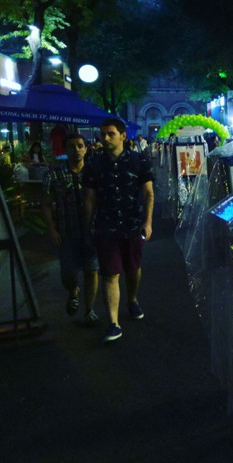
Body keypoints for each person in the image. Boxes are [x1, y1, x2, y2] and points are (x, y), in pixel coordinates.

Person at [84, 118, 155, 344]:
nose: (105, 138)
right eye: (103, 134)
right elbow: (89, 198)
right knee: (110, 274)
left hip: (132, 224)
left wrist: (148, 222)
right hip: (106, 226)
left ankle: (132, 299)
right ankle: (113, 323)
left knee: (133, 269)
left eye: (111, 134)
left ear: (123, 136)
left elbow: (148, 193)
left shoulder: (139, 161)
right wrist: (87, 226)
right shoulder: (94, 164)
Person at [41, 134, 100, 327]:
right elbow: (46, 204)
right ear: (65, 150)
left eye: (80, 146)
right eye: (71, 146)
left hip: (91, 232)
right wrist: (51, 229)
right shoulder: (53, 174)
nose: (76, 150)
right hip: (67, 231)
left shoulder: (93, 172)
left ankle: (89, 310)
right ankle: (73, 290)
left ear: (86, 149)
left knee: (92, 270)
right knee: (68, 274)